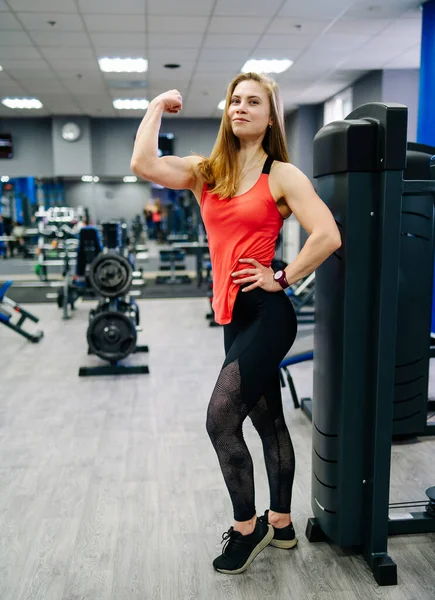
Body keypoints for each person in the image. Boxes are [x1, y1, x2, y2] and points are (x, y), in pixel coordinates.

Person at [130, 72, 341, 575]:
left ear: (270, 116)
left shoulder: (282, 175)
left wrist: (283, 277)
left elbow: (328, 235)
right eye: (234, 101)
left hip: (268, 314)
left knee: (220, 418)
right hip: (232, 314)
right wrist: (158, 103)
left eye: (253, 102)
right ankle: (283, 524)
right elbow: (143, 163)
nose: (240, 108)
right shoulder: (209, 171)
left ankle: (248, 530)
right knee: (268, 422)